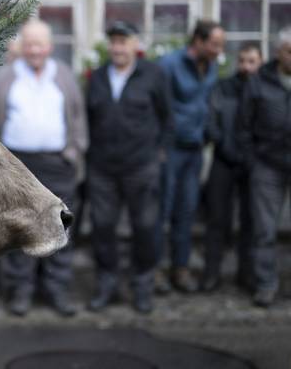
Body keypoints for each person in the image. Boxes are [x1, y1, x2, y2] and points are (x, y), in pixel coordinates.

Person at [0, 19, 88, 317]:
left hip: (58, 164)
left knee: (61, 227)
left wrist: (73, 152)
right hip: (18, 167)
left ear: (50, 47)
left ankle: (58, 289)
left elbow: (78, 118)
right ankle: (21, 291)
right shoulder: (5, 78)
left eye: (40, 44)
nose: (35, 50)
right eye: (29, 44)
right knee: (20, 228)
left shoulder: (64, 76)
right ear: (22, 47)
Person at [85, 21, 171, 314]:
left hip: (141, 167)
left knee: (145, 227)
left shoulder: (154, 75)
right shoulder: (96, 77)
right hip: (102, 169)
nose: (118, 47)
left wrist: (159, 155)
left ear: (136, 45)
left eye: (124, 41)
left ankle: (142, 285)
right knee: (103, 228)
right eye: (114, 41)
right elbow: (88, 118)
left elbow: (167, 117)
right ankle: (107, 284)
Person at [155, 19, 225, 294]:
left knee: (186, 212)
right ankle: (157, 271)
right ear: (198, 41)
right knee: (163, 211)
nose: (220, 51)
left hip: (195, 151)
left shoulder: (212, 67)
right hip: (170, 150)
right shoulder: (169, 65)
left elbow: (207, 106)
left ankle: (180, 270)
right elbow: (158, 106)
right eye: (215, 44)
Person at [201, 42, 263, 293]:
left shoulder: (265, 89)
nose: (246, 67)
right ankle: (211, 274)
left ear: (260, 63)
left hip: (254, 163)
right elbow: (211, 120)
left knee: (250, 222)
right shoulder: (223, 87)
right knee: (217, 220)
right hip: (224, 161)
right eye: (243, 61)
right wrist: (223, 144)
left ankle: (246, 274)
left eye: (252, 61)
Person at [237, 27, 291, 307]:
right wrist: (253, 161)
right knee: (265, 230)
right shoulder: (259, 81)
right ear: (279, 52)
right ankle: (266, 284)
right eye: (290, 51)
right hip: (267, 165)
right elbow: (244, 126)